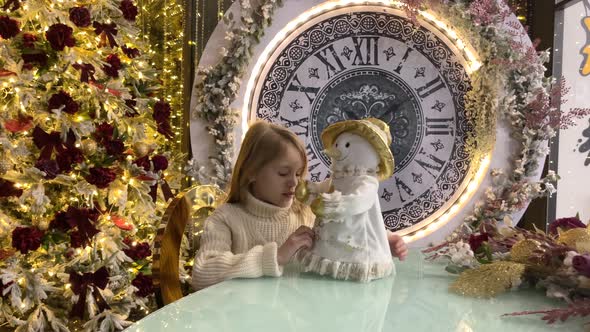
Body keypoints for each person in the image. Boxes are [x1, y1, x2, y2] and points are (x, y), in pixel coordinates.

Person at [191, 120, 408, 290]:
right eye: (283, 173)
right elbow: (202, 274)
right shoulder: (226, 219)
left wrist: (382, 239)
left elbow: (344, 231)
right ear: (251, 172)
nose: (294, 182)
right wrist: (275, 257)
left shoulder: (303, 212)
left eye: (298, 173)